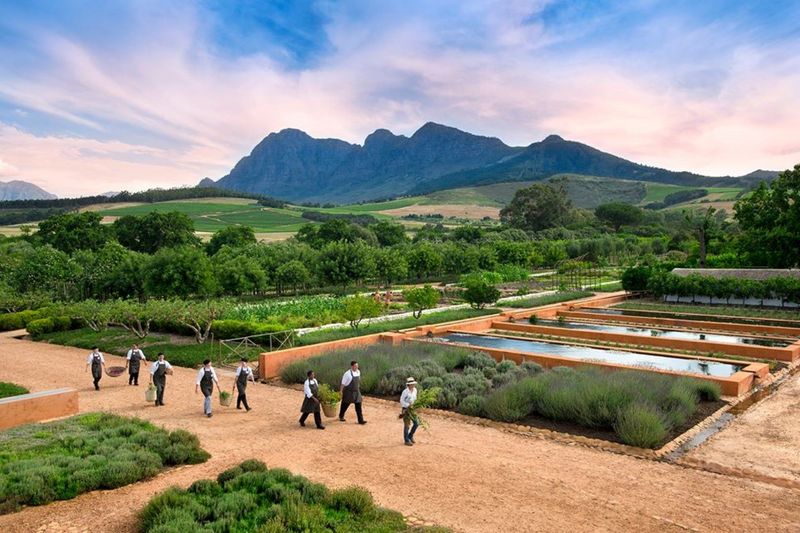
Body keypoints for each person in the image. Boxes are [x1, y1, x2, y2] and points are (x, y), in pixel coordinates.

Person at [338, 360, 366, 424]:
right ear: (352, 366)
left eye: (357, 366)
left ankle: (360, 420)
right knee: (345, 404)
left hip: (356, 391)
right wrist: (341, 392)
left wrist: (358, 389)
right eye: (355, 366)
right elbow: (343, 384)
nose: (357, 367)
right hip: (348, 392)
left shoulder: (358, 372)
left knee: (358, 405)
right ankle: (341, 415)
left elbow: (358, 382)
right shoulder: (347, 374)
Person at [400, 376, 419, 446]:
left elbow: (415, 399)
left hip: (412, 409)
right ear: (409, 384)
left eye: (414, 384)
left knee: (416, 423)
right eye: (412, 384)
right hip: (406, 409)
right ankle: (406, 440)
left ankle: (410, 436)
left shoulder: (415, 390)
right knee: (407, 425)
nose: (413, 385)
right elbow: (401, 401)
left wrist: (415, 405)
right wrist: (408, 405)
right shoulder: (405, 392)